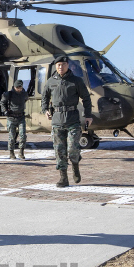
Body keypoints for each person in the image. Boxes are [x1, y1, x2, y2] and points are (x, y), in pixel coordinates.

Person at [41, 55, 93, 187]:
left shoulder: (76, 81)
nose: (61, 67)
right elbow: (44, 97)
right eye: (58, 65)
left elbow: (86, 98)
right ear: (56, 66)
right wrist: (45, 109)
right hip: (57, 121)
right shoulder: (50, 81)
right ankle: (63, 178)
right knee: (59, 150)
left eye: (63, 64)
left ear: (67, 65)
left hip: (72, 120)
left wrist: (88, 115)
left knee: (72, 150)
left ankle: (75, 165)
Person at [0, 79, 29, 159]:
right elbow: (2, 102)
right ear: (14, 87)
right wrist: (5, 111)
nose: (18, 89)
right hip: (11, 118)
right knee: (12, 137)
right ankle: (11, 153)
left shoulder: (24, 94)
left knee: (23, 135)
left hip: (21, 117)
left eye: (20, 87)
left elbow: (25, 100)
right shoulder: (8, 94)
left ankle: (21, 152)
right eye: (17, 88)